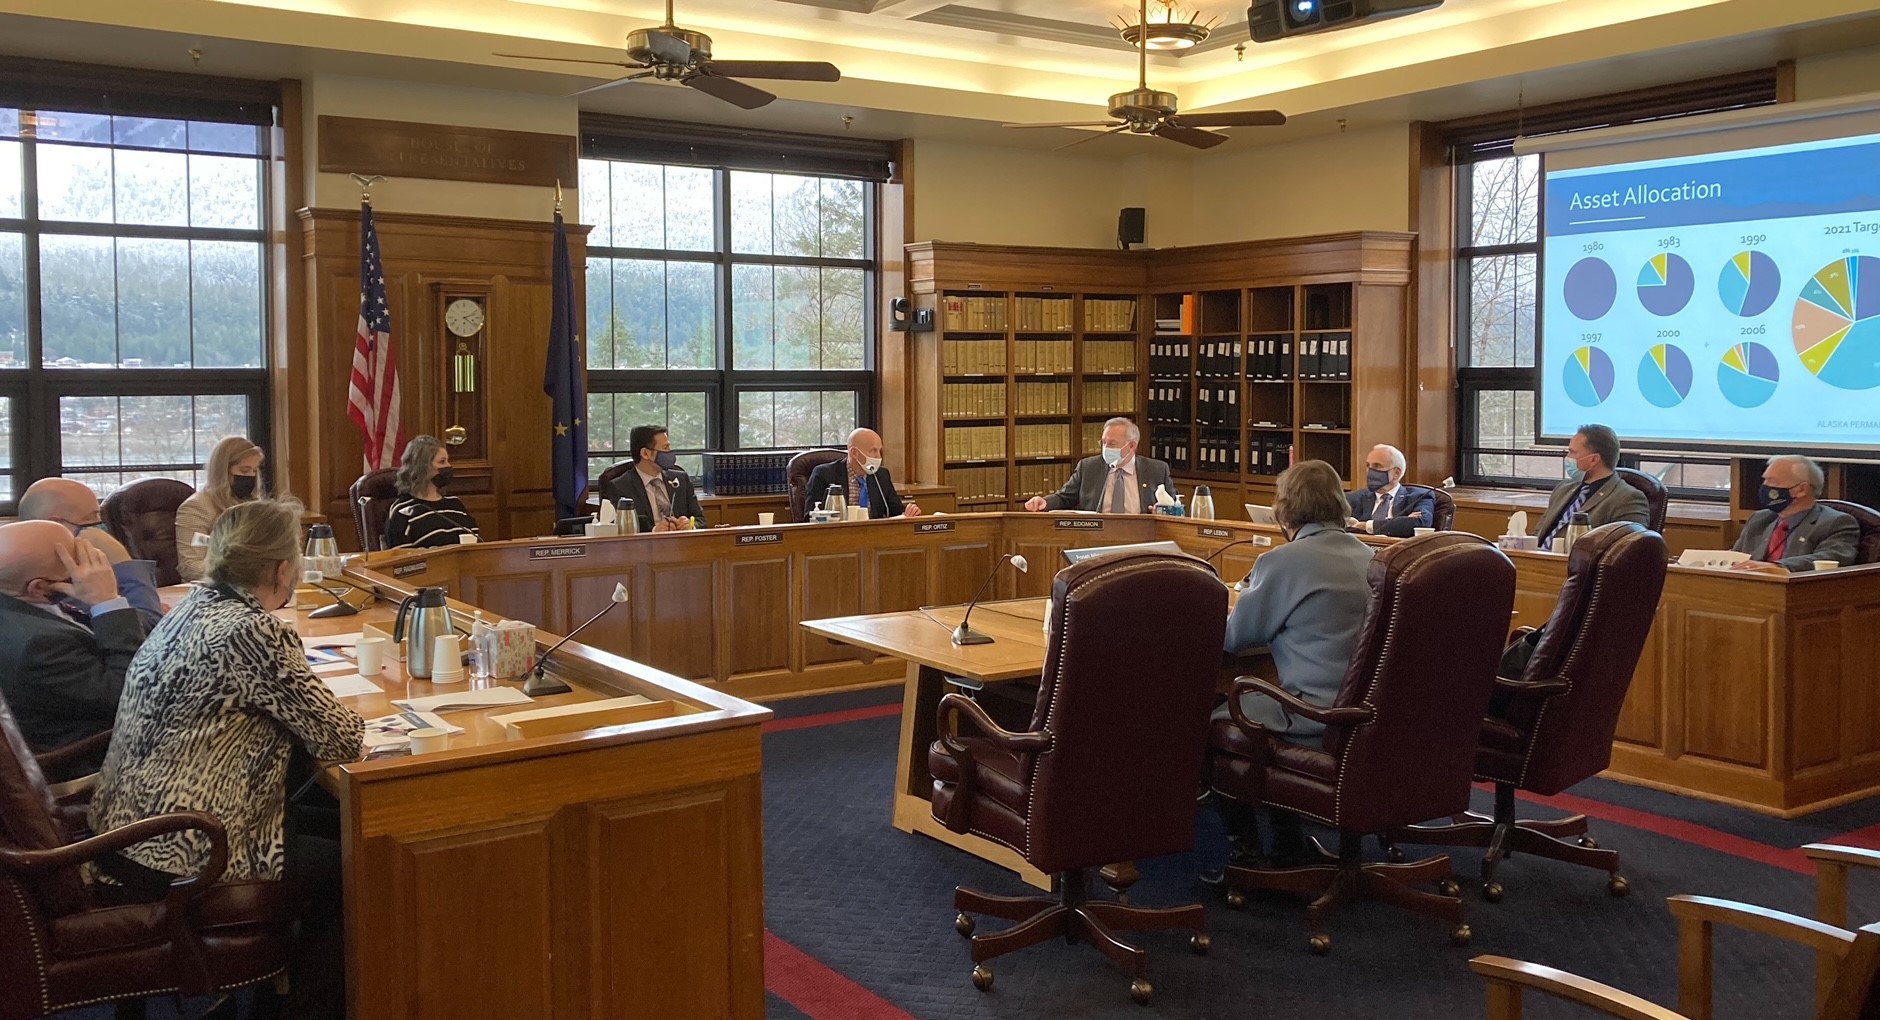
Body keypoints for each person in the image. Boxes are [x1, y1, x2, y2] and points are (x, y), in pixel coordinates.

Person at [88, 498, 364, 1020]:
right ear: (283, 569)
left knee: (340, 829)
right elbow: (343, 739)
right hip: (190, 850)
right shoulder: (250, 630)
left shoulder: (193, 606)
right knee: (368, 866)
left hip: (128, 832)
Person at [1209, 460, 1375, 875]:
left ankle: (1245, 854)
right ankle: (1287, 842)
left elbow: (1233, 639)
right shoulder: (1373, 558)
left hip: (1315, 716)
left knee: (1216, 719)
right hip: (1372, 716)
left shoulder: (1282, 562)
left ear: (1284, 512)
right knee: (1258, 704)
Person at [0, 520, 146, 780]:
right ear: (40, 587)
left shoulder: (18, 604)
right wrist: (107, 601)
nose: (90, 566)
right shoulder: (38, 644)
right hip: (100, 759)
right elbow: (131, 693)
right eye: (77, 559)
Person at [17, 477, 164, 629]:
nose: (99, 528)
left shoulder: (24, 557)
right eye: (90, 518)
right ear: (57, 524)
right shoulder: (51, 576)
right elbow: (150, 629)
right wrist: (122, 560)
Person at [1730, 454, 1859, 573]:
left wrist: (1778, 567)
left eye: (1773, 482)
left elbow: (1831, 558)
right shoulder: (1760, 519)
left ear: (1802, 490)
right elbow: (1735, 557)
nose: (1765, 487)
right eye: (1765, 481)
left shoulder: (1836, 522)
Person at [1534, 424, 1649, 550]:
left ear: (1593, 459)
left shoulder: (1627, 498)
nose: (1568, 458)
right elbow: (1537, 534)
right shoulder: (1563, 489)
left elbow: (1626, 551)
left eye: (1572, 452)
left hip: (1577, 566)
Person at [1023, 417, 1172, 514]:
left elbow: (1174, 506)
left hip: (1140, 539)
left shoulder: (1156, 470)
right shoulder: (1089, 467)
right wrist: (1045, 502)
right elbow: (1064, 498)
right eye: (1104, 443)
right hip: (1094, 536)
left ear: (1132, 446)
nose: (1106, 448)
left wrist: (1161, 511)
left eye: (1112, 444)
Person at [174, 436, 267, 582]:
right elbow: (190, 567)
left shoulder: (253, 505)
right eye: (244, 471)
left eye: (255, 471)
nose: (251, 477)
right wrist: (242, 570)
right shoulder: (196, 507)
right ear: (223, 471)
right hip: (212, 591)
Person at [600, 424, 708, 532]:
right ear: (645, 453)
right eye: (665, 448)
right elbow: (619, 530)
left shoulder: (681, 480)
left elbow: (701, 520)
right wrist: (654, 531)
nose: (670, 452)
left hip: (682, 545)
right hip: (645, 547)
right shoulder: (619, 487)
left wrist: (691, 525)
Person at [384, 434, 481, 548]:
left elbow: (476, 544)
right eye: (442, 462)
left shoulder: (456, 504)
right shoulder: (403, 511)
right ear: (422, 467)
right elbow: (401, 560)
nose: (448, 466)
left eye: (447, 461)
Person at [804, 427, 922, 520]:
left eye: (879, 451)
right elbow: (810, 517)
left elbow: (894, 511)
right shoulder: (824, 474)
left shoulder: (881, 475)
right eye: (873, 451)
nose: (878, 457)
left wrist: (908, 512)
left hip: (875, 539)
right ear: (855, 453)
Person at [1345, 443, 1436, 537]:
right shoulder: (1351, 499)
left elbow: (1420, 524)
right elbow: (1338, 527)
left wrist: (1366, 525)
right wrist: (1401, 522)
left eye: (1377, 466)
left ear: (1397, 473)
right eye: (1368, 466)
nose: (1369, 471)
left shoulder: (1420, 496)